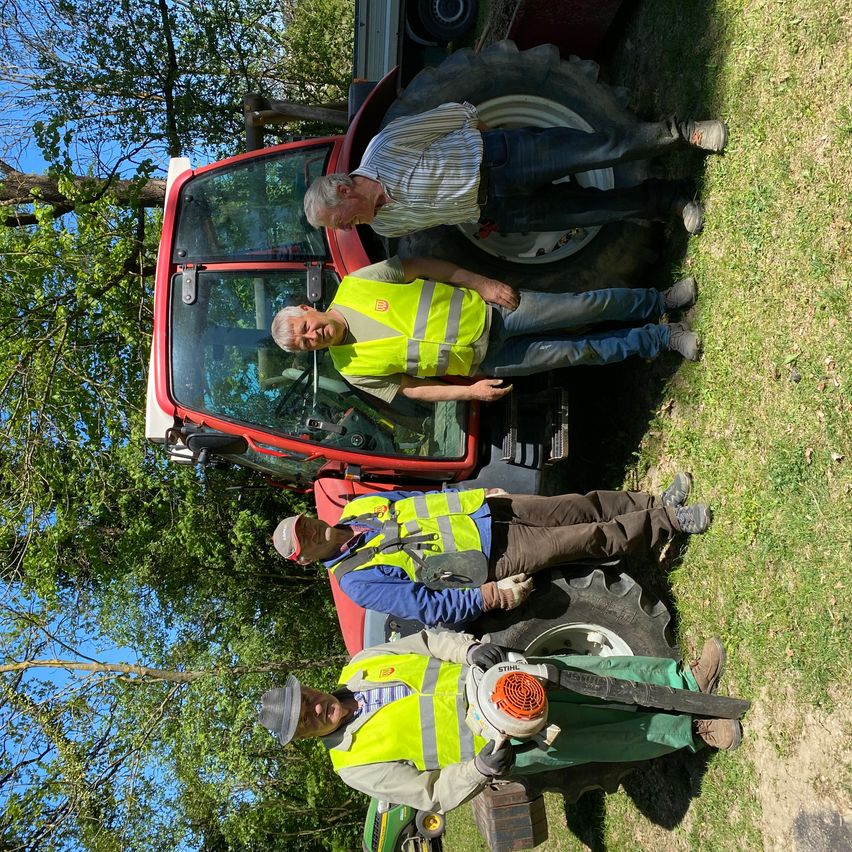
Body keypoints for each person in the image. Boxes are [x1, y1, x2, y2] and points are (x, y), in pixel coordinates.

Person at [257, 629, 743, 814]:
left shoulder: (361, 665)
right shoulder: (353, 765)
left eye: (308, 700)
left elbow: (425, 643)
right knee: (606, 738)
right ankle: (695, 731)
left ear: (310, 688)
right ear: (304, 736)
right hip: (505, 745)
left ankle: (685, 680)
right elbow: (429, 794)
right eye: (306, 721)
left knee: (595, 673)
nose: (316, 709)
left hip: (502, 678)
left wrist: (468, 649)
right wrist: (480, 770)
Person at [271, 473, 709, 626]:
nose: (310, 530)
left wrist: (475, 493)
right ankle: (670, 523)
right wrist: (490, 595)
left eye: (303, 523)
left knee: (579, 506)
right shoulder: (356, 581)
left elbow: (421, 498)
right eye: (304, 539)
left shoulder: (357, 509)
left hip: (486, 510)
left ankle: (654, 503)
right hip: (491, 556)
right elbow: (428, 607)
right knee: (584, 538)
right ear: (305, 559)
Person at [270, 255, 702, 405]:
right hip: (489, 360)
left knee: (583, 305)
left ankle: (659, 301)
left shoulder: (358, 284)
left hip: (495, 311)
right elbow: (411, 389)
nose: (313, 336)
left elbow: (423, 265)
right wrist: (469, 392)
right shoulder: (349, 368)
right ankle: (662, 338)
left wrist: (482, 283)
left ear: (308, 309)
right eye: (305, 343)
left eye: (306, 327)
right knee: (580, 352)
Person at [303, 102, 728, 237]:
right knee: (596, 211)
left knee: (600, 149)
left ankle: (684, 131)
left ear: (343, 191)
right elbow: (440, 215)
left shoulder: (383, 147)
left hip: (503, 158)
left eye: (340, 222)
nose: (346, 229)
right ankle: (673, 198)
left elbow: (456, 114)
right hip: (501, 210)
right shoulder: (384, 228)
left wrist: (499, 144)